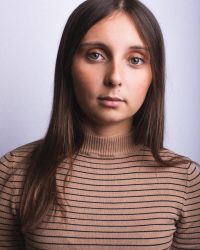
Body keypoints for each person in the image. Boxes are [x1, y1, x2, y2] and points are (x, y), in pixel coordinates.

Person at [0, 0, 200, 249]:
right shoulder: (14, 171)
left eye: (135, 59)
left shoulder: (185, 181)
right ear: (68, 66)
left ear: (154, 74)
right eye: (95, 55)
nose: (114, 77)